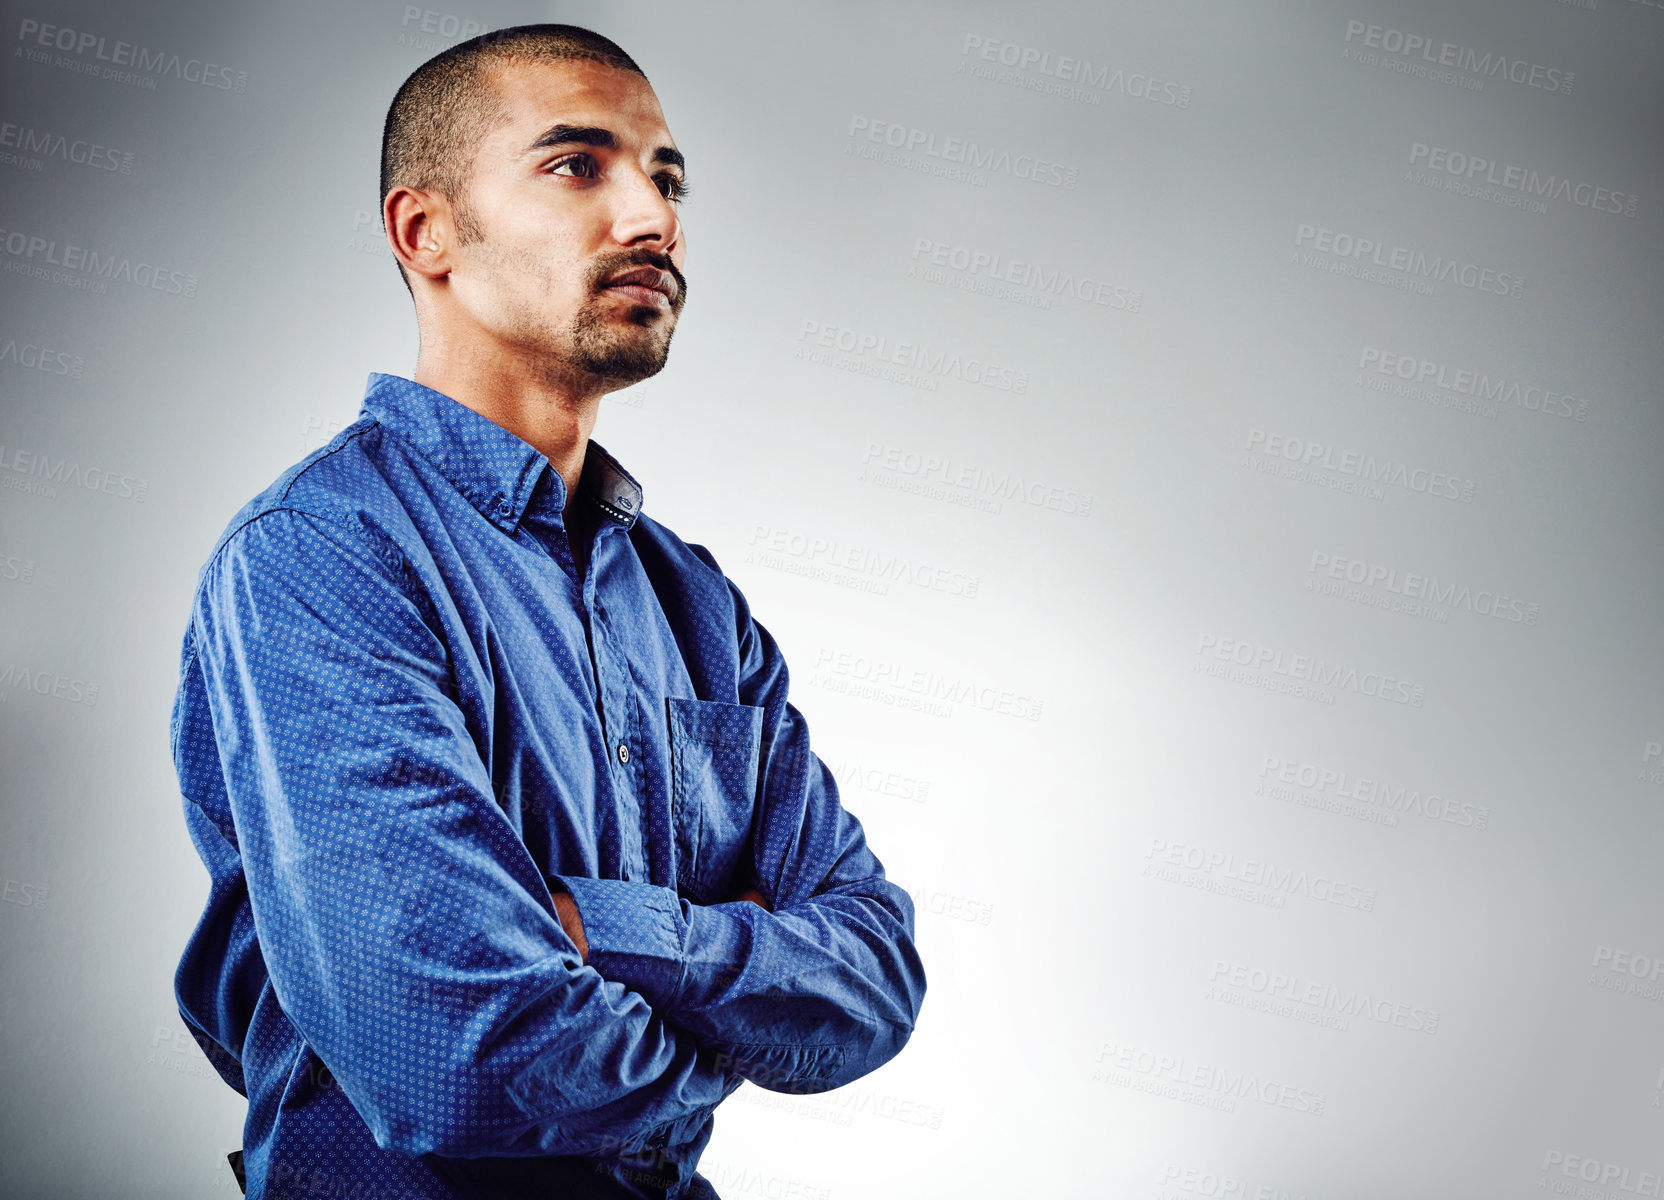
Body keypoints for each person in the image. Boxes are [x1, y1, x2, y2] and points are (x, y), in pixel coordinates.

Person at [167, 24, 926, 1199]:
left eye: (665, 178)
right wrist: (731, 1024)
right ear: (426, 234)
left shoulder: (696, 606)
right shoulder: (322, 558)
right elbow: (460, 1058)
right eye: (578, 166)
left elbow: (874, 980)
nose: (651, 219)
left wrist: (608, 929)